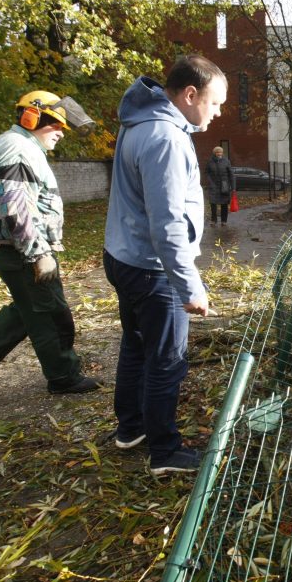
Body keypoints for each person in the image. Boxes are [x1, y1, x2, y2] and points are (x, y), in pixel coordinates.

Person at [103, 54, 227, 476]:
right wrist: (189, 287)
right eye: (214, 103)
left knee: (136, 345)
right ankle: (164, 451)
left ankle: (131, 428)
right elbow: (168, 222)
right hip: (153, 269)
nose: (219, 111)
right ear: (190, 94)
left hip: (124, 256)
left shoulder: (139, 125)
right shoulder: (166, 139)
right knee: (167, 359)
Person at [0, 90, 101, 396]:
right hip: (21, 250)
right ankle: (63, 376)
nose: (60, 132)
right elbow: (17, 208)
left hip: (12, 248)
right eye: (55, 125)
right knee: (52, 315)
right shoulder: (18, 150)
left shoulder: (19, 146)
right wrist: (38, 253)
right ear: (32, 117)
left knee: (29, 309)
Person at [205, 146, 235, 227]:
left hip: (224, 185)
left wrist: (233, 187)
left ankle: (224, 220)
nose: (219, 154)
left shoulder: (226, 161)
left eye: (220, 152)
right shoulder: (210, 161)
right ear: (214, 153)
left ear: (222, 153)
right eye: (217, 152)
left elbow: (231, 174)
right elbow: (207, 172)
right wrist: (209, 181)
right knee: (213, 203)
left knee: (224, 204)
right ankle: (213, 220)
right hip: (213, 185)